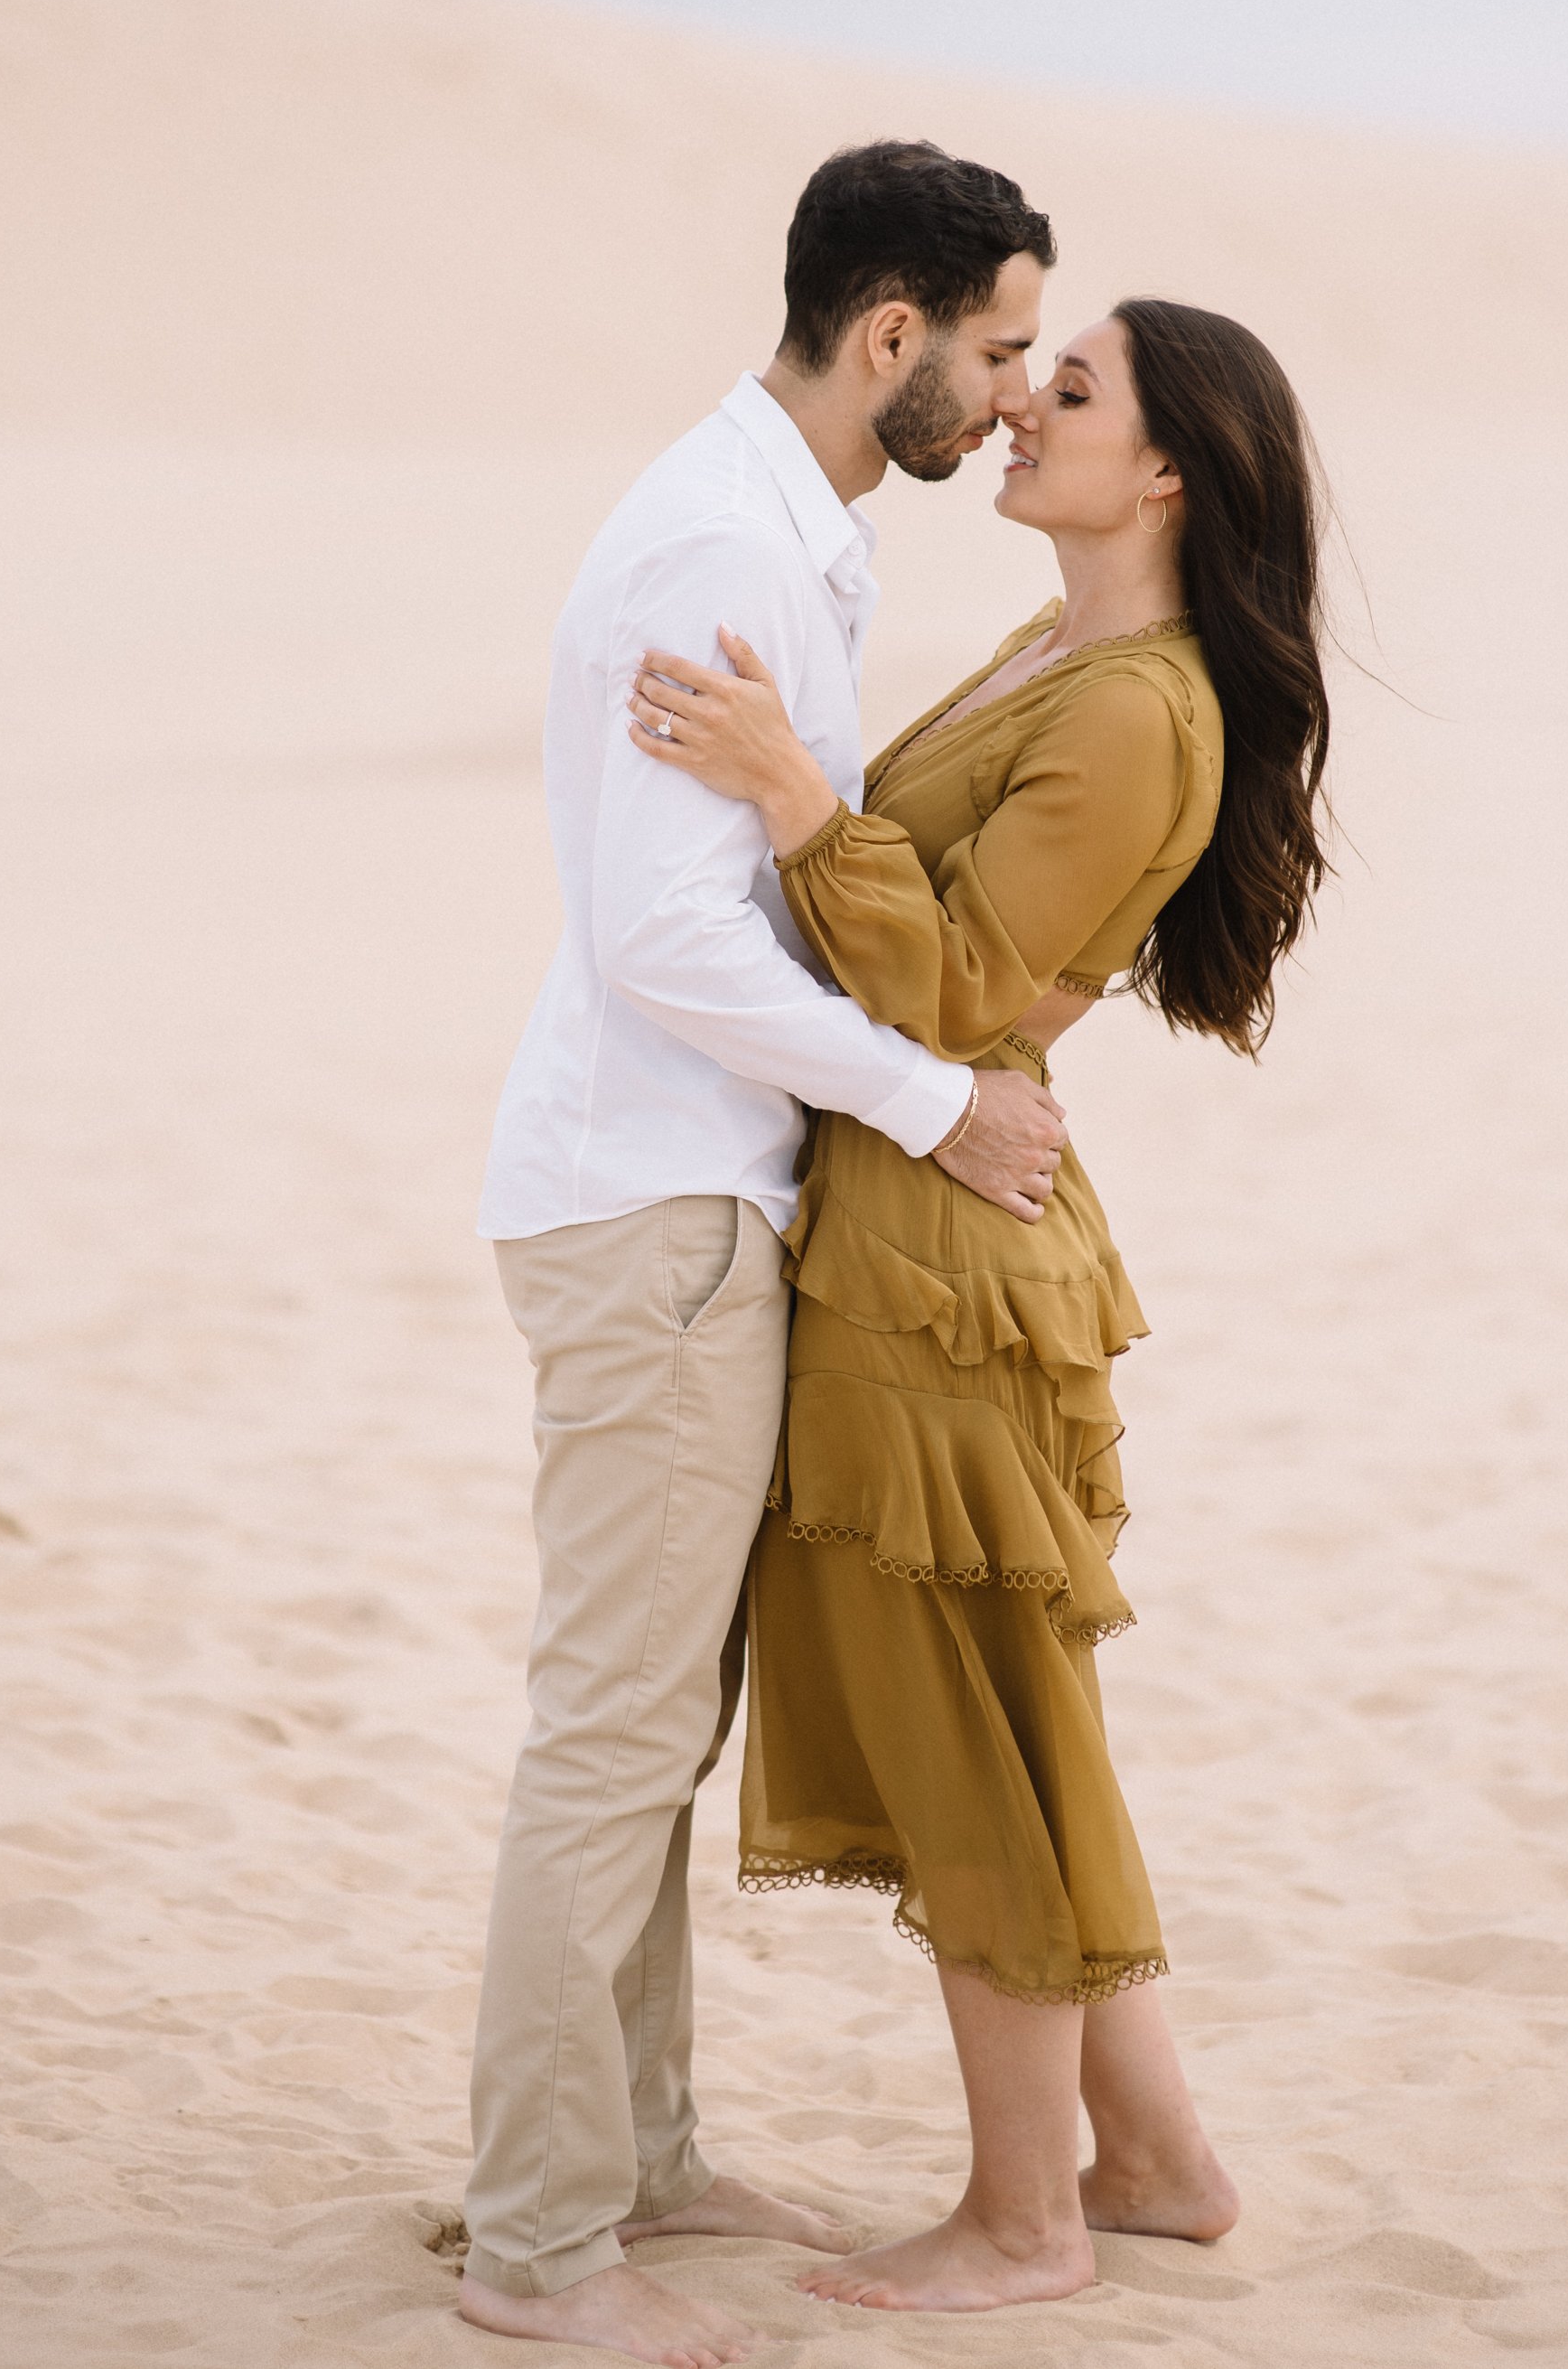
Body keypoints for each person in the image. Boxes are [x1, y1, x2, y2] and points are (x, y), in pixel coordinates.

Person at [627, 295, 1331, 2316]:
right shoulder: (1066, 649)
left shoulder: (1135, 706)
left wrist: (786, 795)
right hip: (918, 1202)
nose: (1019, 401)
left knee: (975, 1740)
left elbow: (943, 989)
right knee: (1018, 1726)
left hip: (945, 1273)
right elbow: (957, 987)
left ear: (1172, 466)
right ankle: (1160, 2161)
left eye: (1072, 384)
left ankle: (1026, 2223)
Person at [461, 139, 1074, 2367]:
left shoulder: (787, 531)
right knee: (613, 1736)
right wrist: (932, 1096)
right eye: (1000, 350)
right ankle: (541, 2248)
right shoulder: (728, 534)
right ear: (891, 331)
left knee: (651, 1723)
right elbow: (660, 937)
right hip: (657, 1197)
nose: (1017, 399)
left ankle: (636, 2157)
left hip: (693, 1192)